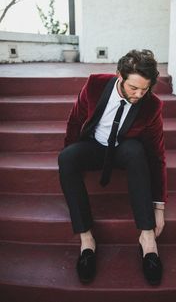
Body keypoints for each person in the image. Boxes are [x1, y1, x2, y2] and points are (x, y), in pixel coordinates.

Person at [58, 49, 167, 285]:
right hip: (95, 145)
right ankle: (87, 241)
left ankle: (147, 241)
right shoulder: (95, 85)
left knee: (138, 152)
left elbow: (157, 156)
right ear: (120, 76)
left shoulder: (151, 106)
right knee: (66, 158)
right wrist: (73, 159)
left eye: (144, 89)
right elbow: (76, 121)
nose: (139, 94)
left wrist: (159, 207)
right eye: (133, 88)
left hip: (123, 149)